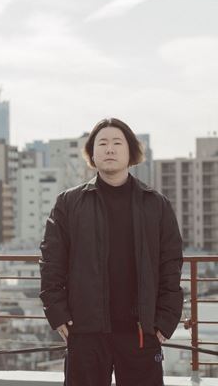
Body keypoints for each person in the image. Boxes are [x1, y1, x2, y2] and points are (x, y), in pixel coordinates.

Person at [39, 118, 183, 385]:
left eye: (117, 143)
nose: (109, 149)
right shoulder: (69, 203)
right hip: (85, 331)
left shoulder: (156, 204)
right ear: (92, 154)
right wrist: (57, 313)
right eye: (102, 143)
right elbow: (51, 262)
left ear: (131, 152)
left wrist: (165, 320)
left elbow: (171, 264)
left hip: (142, 331)